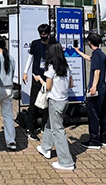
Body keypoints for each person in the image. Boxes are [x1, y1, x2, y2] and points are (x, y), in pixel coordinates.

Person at [36, 41, 75, 171]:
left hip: (55, 101)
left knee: (58, 131)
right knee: (50, 124)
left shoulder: (51, 67)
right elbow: (71, 85)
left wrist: (41, 80)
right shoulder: (66, 66)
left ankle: (66, 161)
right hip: (64, 100)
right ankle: (45, 147)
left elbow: (48, 86)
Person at [74, 33, 106, 150]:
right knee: (103, 113)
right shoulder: (100, 54)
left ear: (89, 42)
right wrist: (78, 52)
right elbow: (89, 59)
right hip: (103, 88)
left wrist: (93, 86)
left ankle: (94, 140)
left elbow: (97, 71)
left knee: (93, 115)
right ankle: (104, 137)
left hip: (97, 89)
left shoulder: (96, 54)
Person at [22, 23, 51, 141]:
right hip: (37, 77)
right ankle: (30, 129)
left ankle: (44, 127)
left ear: (48, 33)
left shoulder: (54, 44)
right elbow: (30, 58)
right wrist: (25, 72)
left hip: (49, 78)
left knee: (47, 104)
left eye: (44, 33)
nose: (42, 35)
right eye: (41, 33)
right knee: (33, 104)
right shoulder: (35, 43)